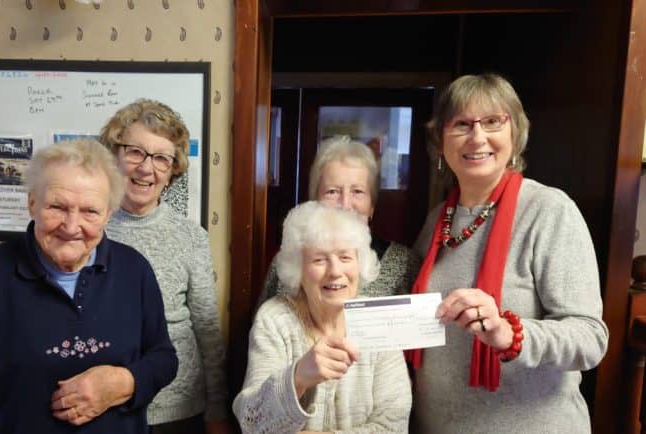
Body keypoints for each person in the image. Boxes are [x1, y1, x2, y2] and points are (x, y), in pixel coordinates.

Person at [0, 139, 178, 433]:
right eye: (57, 207)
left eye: (90, 211)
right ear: (32, 203)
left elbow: (164, 358)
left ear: (108, 214)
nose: (71, 226)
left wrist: (125, 382)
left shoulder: (134, 270)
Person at [409, 73, 608, 433]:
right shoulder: (437, 219)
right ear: (441, 142)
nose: (477, 137)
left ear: (515, 134)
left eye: (492, 122)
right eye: (461, 124)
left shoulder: (549, 211)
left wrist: (510, 333)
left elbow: (590, 338)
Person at [99, 99, 231, 434]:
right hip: (104, 408)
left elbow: (207, 331)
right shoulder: (87, 228)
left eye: (161, 158)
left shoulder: (191, 237)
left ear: (173, 170)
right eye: (135, 152)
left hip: (178, 412)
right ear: (113, 156)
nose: (147, 168)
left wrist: (216, 409)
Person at [233, 201, 412, 433]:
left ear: (360, 264)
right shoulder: (275, 320)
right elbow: (253, 424)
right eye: (319, 259)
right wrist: (297, 377)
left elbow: (393, 427)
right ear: (298, 268)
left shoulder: (379, 323)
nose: (335, 271)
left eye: (346, 257)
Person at [257, 135, 421, 309]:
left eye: (357, 191)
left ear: (372, 205)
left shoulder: (405, 264)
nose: (345, 204)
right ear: (315, 201)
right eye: (332, 191)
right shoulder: (290, 259)